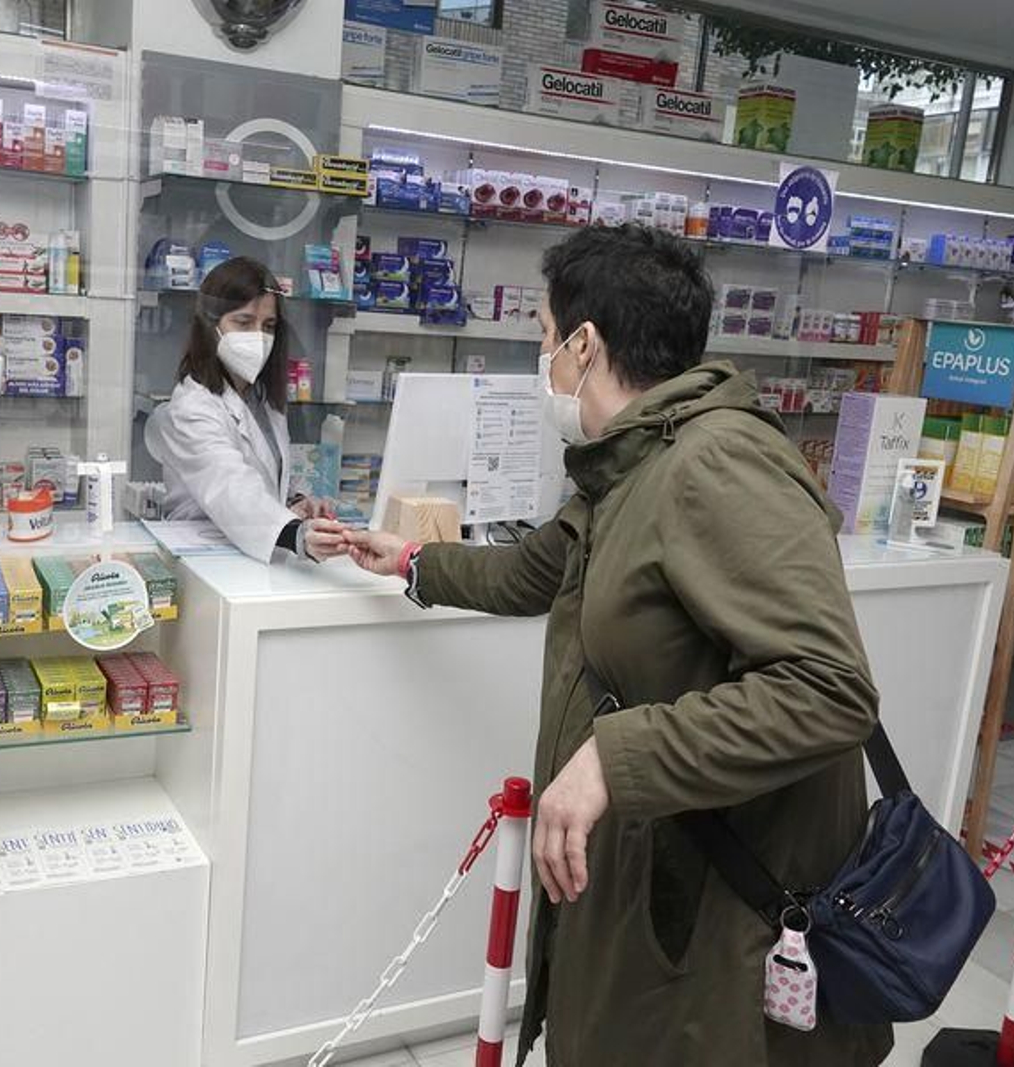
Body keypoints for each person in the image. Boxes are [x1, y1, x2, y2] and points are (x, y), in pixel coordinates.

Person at [346, 224, 891, 1066]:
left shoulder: (716, 464)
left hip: (715, 904)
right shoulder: (633, 462)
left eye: (544, 335)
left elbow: (829, 689)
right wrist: (414, 561)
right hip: (649, 868)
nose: (542, 360)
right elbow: (533, 572)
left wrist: (612, 757)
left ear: (584, 344)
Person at [145, 257, 347, 564]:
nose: (259, 338)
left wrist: (297, 501)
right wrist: (295, 533)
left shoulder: (260, 398)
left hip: (251, 555)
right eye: (243, 322)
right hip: (204, 558)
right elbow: (231, 487)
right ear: (210, 325)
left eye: (268, 326)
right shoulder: (192, 407)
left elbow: (265, 471)